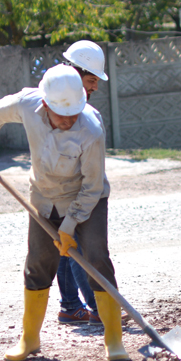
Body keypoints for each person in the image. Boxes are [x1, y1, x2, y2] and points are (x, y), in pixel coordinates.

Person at [0, 64, 129, 361]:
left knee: (95, 257)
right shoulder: (27, 104)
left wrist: (69, 226)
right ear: (45, 104)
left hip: (86, 202)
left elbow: (92, 187)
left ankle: (114, 341)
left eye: (74, 113)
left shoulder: (91, 128)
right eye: (61, 114)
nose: (69, 120)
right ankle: (29, 339)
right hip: (43, 199)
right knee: (38, 263)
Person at [54, 41, 108, 326]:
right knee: (76, 246)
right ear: (74, 75)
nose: (95, 88)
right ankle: (97, 307)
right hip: (67, 188)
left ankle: (71, 306)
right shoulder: (55, 106)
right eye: (91, 80)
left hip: (65, 186)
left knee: (64, 245)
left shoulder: (76, 109)